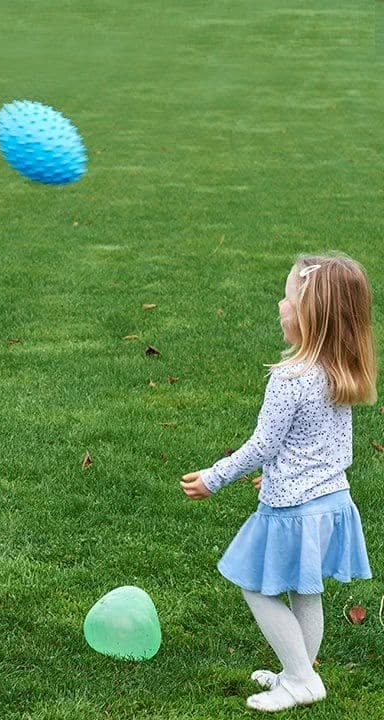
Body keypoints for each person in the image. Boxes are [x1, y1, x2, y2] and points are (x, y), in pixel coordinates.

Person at [181, 254, 376, 712]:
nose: (279, 304)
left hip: (292, 511)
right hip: (332, 503)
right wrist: (278, 475)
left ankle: (303, 680)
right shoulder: (338, 371)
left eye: (288, 298)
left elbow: (263, 444)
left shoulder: (290, 378)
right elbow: (325, 446)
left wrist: (215, 477)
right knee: (304, 589)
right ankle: (298, 671)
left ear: (309, 315)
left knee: (255, 584)